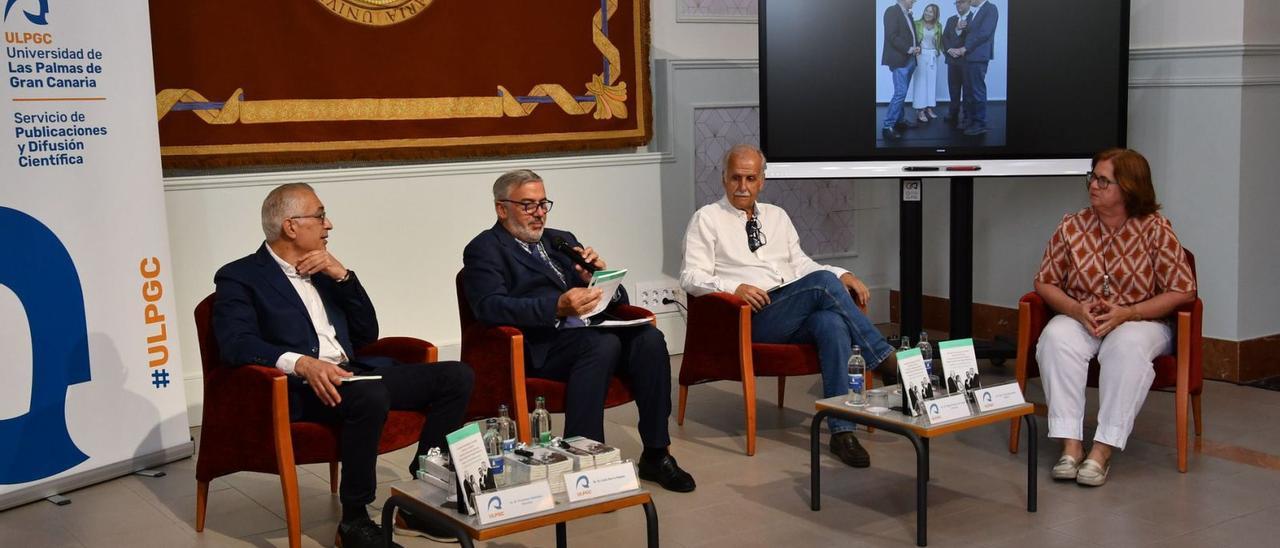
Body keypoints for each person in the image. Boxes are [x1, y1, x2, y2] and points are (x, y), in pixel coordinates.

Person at [212, 183, 474, 548]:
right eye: (320, 216)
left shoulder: (322, 269)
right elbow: (235, 344)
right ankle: (353, 521)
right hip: (301, 387)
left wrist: (343, 276)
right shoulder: (239, 276)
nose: (328, 224)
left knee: (456, 376)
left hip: (354, 372)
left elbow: (367, 333)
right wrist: (302, 364)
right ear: (291, 226)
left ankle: (419, 497)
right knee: (369, 393)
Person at [461, 169, 696, 493]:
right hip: (538, 343)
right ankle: (583, 460)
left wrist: (599, 278)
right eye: (528, 205)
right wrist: (556, 307)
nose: (539, 213)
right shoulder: (485, 249)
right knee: (601, 345)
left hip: (590, 329)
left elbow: (615, 299)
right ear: (502, 209)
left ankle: (656, 453)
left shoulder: (562, 240)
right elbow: (489, 306)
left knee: (649, 339)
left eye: (544, 204)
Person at [679, 144, 897, 468]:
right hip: (747, 318)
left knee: (831, 323)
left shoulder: (777, 216)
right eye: (736, 178)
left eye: (750, 178)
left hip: (790, 308)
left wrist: (844, 274)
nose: (743, 187)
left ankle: (842, 432)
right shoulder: (707, 219)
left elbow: (802, 265)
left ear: (761, 180)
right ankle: (885, 361)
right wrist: (734, 287)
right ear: (723, 178)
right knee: (823, 284)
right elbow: (690, 276)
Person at [1033, 149, 1197, 487]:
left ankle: (1102, 450)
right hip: (1084, 315)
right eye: (1092, 177)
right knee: (1055, 337)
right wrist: (1076, 310)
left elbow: (1183, 290)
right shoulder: (1072, 226)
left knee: (1126, 346)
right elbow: (1045, 282)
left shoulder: (1155, 229)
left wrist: (1129, 313)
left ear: (1128, 188)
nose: (1093, 185)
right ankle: (1071, 446)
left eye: (1103, 181)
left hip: (1142, 320)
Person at [955, 0, 998, 135]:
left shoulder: (991, 8)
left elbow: (984, 33)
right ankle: (969, 120)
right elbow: (972, 32)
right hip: (969, 57)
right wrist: (961, 27)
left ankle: (980, 123)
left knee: (977, 90)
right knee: (968, 90)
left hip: (978, 56)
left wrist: (965, 48)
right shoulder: (976, 12)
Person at [881, 0, 921, 140]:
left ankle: (899, 120)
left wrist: (916, 47)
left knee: (901, 93)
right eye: (912, 0)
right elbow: (892, 36)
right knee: (900, 92)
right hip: (900, 59)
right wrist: (909, 48)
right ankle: (888, 126)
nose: (914, 2)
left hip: (910, 59)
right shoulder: (891, 11)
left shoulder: (908, 14)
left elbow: (910, 36)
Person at [909, 3, 943, 123]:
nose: (928, 13)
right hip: (920, 55)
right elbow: (911, 38)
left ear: (935, 14)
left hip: (933, 55)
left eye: (931, 12)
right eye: (926, 10)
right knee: (920, 83)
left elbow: (940, 42)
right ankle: (920, 110)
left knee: (931, 83)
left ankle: (929, 108)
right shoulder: (917, 23)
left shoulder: (938, 26)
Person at [942, 0, 971, 128]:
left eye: (962, 2)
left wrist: (961, 50)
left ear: (969, 3)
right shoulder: (951, 20)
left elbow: (974, 39)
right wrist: (949, 50)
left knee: (967, 90)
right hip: (952, 60)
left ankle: (967, 116)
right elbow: (944, 38)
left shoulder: (974, 18)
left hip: (967, 60)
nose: (959, 5)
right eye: (957, 3)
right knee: (953, 88)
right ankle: (953, 112)